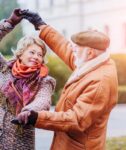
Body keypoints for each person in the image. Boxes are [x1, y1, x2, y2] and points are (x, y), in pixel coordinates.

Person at [18, 10, 118, 150]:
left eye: (76, 47)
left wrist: (36, 117)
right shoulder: (93, 61)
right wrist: (41, 26)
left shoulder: (100, 82)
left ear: (89, 52)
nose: (72, 48)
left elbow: (76, 120)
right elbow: (65, 48)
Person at [0, 11, 56, 149]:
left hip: (19, 140)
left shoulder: (44, 80)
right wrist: (9, 23)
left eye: (40, 54)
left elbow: (43, 99)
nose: (36, 57)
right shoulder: (4, 68)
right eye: (32, 52)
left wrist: (29, 111)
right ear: (21, 53)